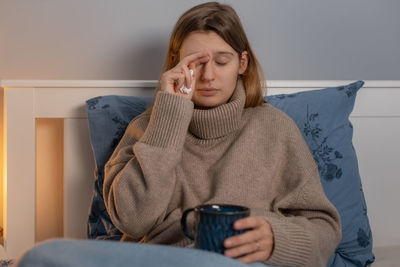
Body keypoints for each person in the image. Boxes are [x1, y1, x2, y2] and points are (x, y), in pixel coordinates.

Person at [14, 2, 341, 267]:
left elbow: (324, 227)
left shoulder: (275, 128)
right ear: (176, 65)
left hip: (235, 262)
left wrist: (275, 239)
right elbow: (133, 221)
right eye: (196, 63)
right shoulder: (147, 127)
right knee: (41, 256)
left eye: (222, 61)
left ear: (242, 63)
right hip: (156, 258)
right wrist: (169, 116)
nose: (208, 76)